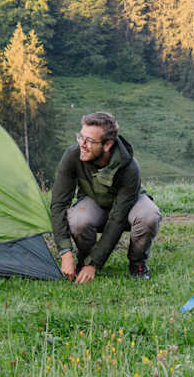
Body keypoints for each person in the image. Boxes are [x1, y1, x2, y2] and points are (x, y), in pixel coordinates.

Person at [50, 112, 161, 283]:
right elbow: (58, 204)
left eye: (89, 141)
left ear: (107, 144)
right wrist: (65, 252)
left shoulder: (130, 168)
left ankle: (137, 264)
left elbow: (117, 219)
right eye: (81, 137)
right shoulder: (72, 156)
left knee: (149, 216)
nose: (82, 144)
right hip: (94, 200)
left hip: (128, 204)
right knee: (78, 219)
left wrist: (94, 264)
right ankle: (84, 260)